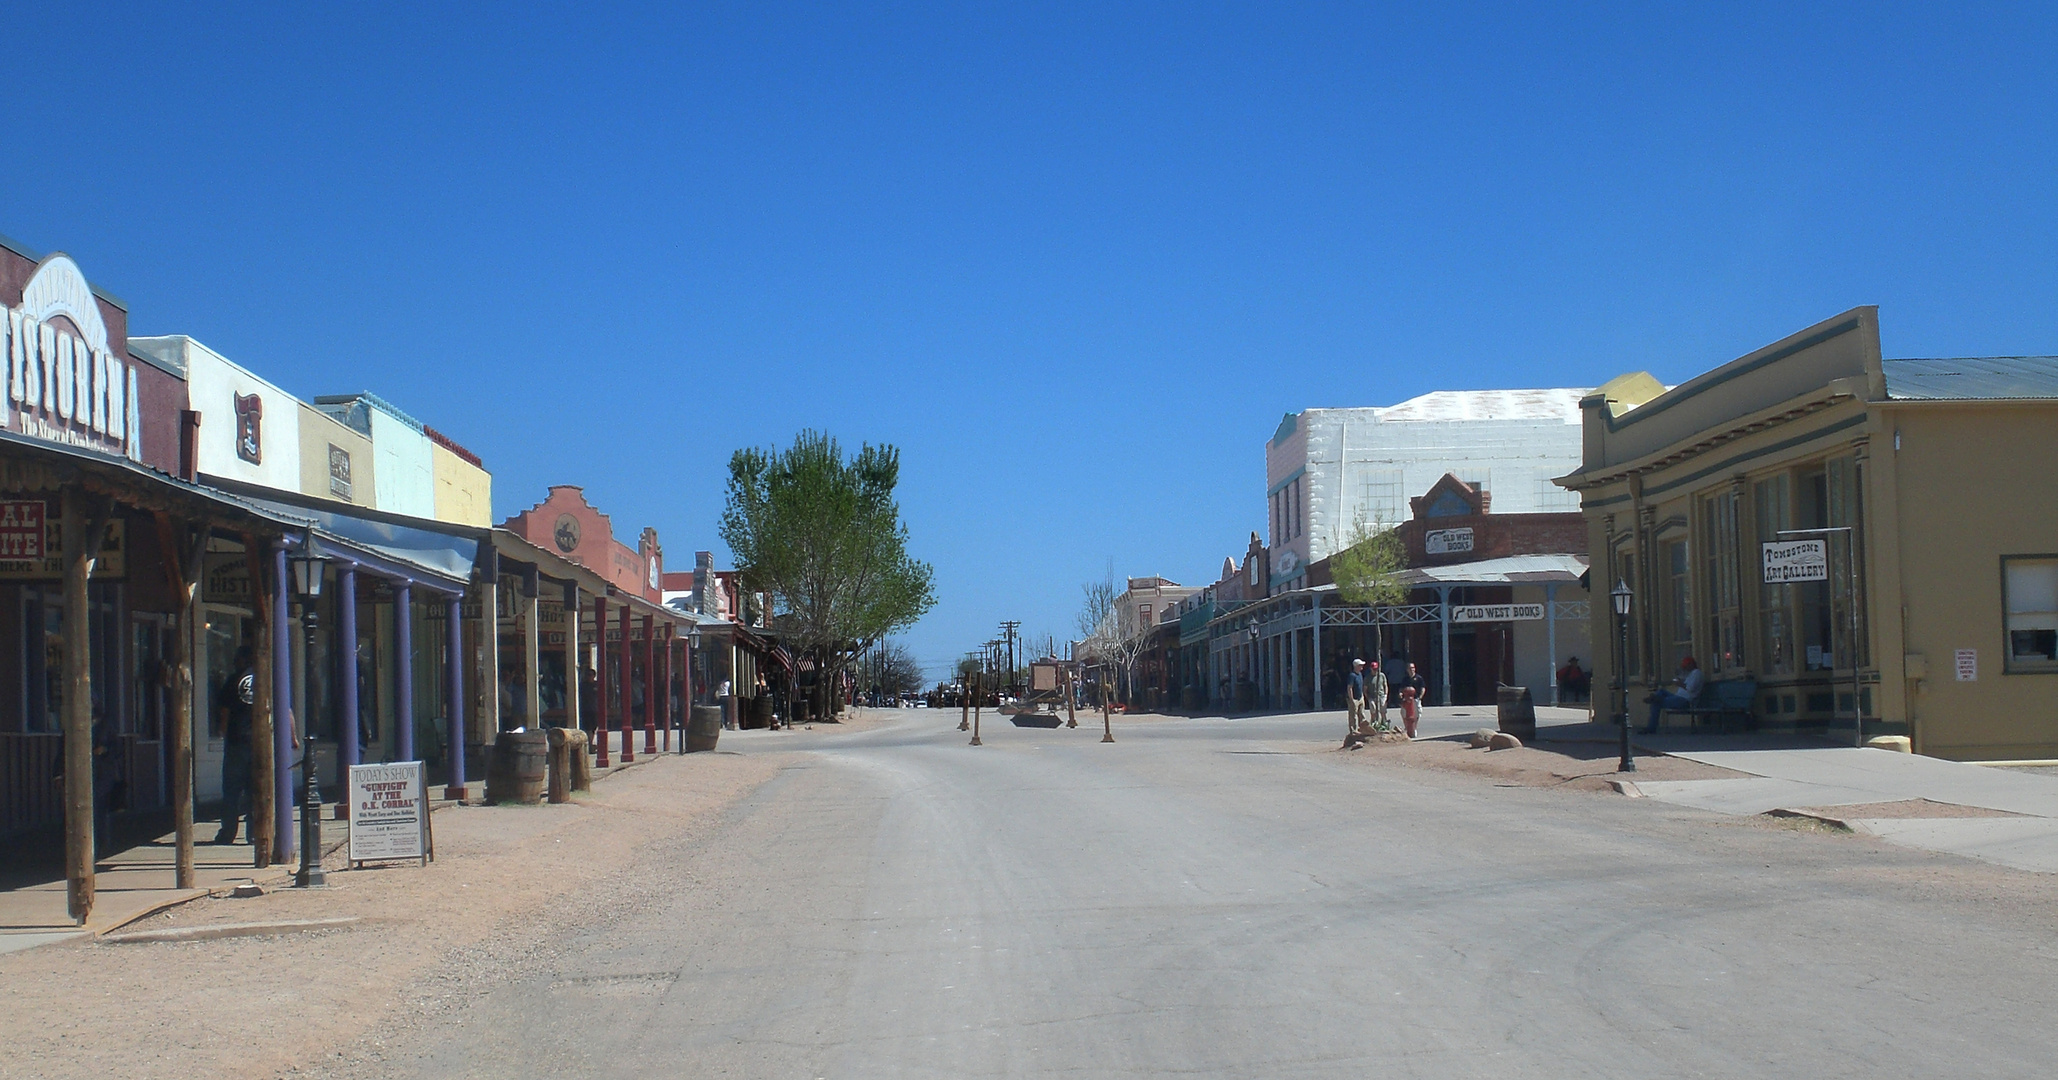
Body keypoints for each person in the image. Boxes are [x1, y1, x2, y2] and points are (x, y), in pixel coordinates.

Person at [214, 646, 257, 844]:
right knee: (255, 791)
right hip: (258, 743)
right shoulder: (265, 680)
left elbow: (225, 710)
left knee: (231, 791)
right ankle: (255, 834)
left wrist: (223, 731)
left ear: (242, 660)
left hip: (236, 741)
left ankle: (228, 832)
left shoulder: (233, 680)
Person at [1644, 655, 1705, 733]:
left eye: (1686, 666)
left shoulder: (1697, 673)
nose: (1685, 668)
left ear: (1691, 665)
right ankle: (1655, 697)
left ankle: (1651, 727)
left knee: (1656, 703)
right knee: (1661, 692)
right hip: (1678, 697)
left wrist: (1680, 684)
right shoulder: (1690, 674)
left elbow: (1691, 689)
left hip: (1685, 701)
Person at [1397, 662, 1426, 739]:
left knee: (1418, 713)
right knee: (1403, 713)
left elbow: (1423, 688)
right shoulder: (1405, 679)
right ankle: (1407, 727)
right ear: (1407, 669)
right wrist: (1400, 694)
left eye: (1413, 668)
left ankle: (1414, 728)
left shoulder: (1419, 678)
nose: (1412, 670)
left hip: (1415, 699)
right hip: (1406, 700)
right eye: (1410, 668)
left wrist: (1420, 697)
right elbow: (1401, 688)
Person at [1362, 661, 1390, 734]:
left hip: (1381, 695)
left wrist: (1386, 695)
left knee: (1383, 711)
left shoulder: (1381, 675)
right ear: (1371, 669)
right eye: (1373, 669)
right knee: (1373, 711)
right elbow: (1365, 688)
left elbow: (1385, 685)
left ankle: (1384, 723)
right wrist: (1368, 697)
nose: (1375, 670)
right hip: (1372, 696)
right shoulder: (1368, 677)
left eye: (1376, 669)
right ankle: (1373, 724)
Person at [1345, 659, 1366, 737]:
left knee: (1362, 714)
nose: (1362, 667)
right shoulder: (1352, 675)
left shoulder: (1360, 674)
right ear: (1356, 666)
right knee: (1353, 716)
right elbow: (1349, 687)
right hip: (1354, 698)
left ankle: (1362, 729)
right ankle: (1353, 730)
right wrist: (1352, 699)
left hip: (1360, 697)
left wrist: (1362, 695)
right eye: (1360, 665)